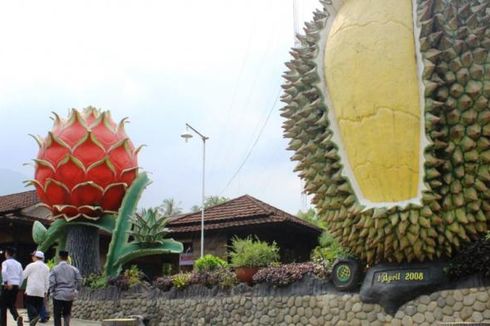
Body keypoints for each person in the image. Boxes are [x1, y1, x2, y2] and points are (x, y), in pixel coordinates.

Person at [49, 251, 82, 326]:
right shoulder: (74, 269)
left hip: (58, 295)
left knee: (57, 314)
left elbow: (52, 282)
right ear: (67, 258)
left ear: (59, 257)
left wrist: (51, 292)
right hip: (69, 295)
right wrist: (76, 290)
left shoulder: (55, 269)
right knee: (67, 313)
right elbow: (79, 280)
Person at [23, 251, 49, 326]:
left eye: (33, 256)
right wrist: (46, 290)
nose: (32, 257)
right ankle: (33, 321)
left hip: (31, 289)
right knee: (38, 305)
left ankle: (34, 317)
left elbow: (23, 275)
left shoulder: (31, 265)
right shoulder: (46, 267)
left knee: (29, 304)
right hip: (41, 290)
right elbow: (47, 281)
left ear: (35, 257)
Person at [0, 247, 23, 326]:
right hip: (16, 285)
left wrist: (6, 283)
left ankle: (3, 324)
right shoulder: (18, 264)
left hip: (7, 286)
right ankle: (17, 317)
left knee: (3, 306)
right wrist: (18, 285)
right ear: (14, 254)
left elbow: (3, 272)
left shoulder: (5, 263)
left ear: (6, 253)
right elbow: (21, 276)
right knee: (11, 304)